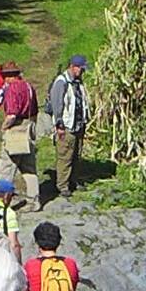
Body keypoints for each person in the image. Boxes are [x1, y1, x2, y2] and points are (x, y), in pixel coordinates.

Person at [44, 55, 91, 204]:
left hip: (78, 126)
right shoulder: (61, 83)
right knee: (65, 157)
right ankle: (62, 186)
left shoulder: (78, 82)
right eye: (81, 69)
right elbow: (58, 106)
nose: (82, 72)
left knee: (76, 156)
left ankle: (73, 181)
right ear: (73, 66)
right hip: (66, 127)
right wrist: (59, 126)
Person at [0, 61, 38, 195]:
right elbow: (35, 112)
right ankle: (33, 200)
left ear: (8, 76)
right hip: (28, 127)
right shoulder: (28, 86)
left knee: (6, 168)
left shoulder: (12, 88)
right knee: (29, 169)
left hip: (16, 129)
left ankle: (0, 201)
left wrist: (4, 128)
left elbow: (12, 115)